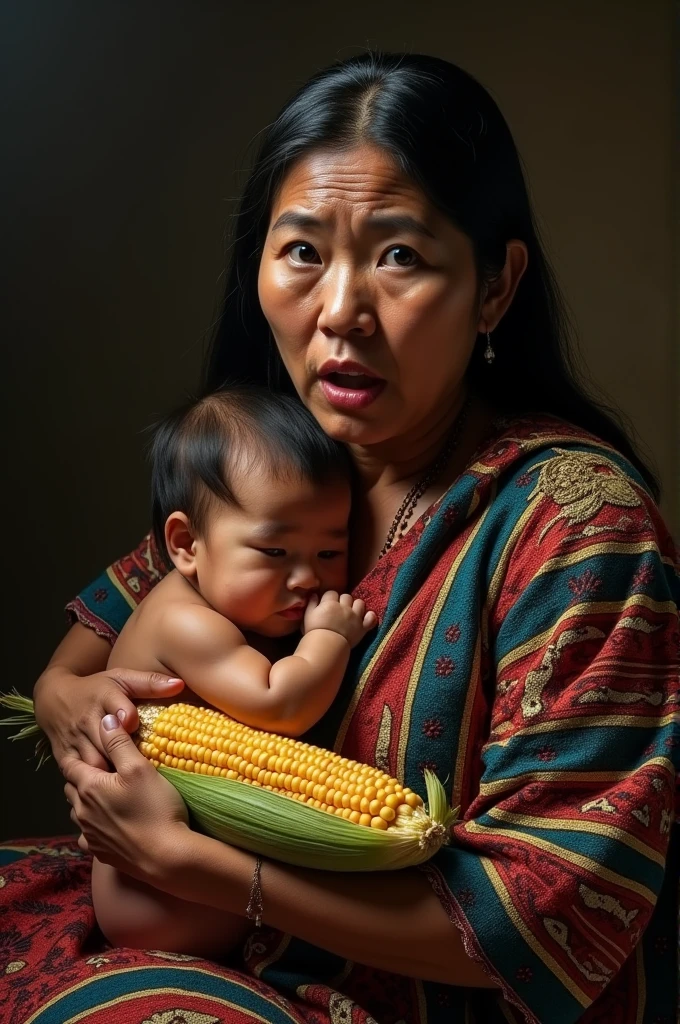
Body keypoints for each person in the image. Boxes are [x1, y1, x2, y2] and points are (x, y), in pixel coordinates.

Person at [6, 51, 677, 1024]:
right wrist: (82, 706)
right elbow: (78, 662)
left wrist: (199, 864)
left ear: (494, 286)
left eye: (399, 255)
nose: (338, 312)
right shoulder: (276, 469)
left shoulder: (577, 527)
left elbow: (547, 921)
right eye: (302, 252)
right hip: (202, 940)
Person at [91, 385, 376, 957]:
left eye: (329, 553)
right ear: (186, 544)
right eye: (274, 553)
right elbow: (280, 705)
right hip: (155, 901)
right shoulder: (184, 624)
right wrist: (326, 638)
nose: (307, 579)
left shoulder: (233, 605)